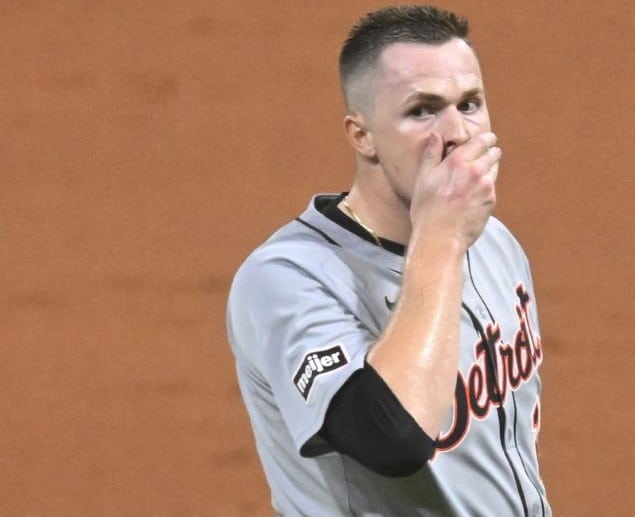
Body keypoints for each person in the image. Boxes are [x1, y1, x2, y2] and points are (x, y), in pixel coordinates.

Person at [226, 5, 551, 515]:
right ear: (362, 135)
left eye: (469, 104)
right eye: (422, 110)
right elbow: (389, 439)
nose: (457, 133)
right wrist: (439, 239)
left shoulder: (494, 242)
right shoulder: (287, 278)